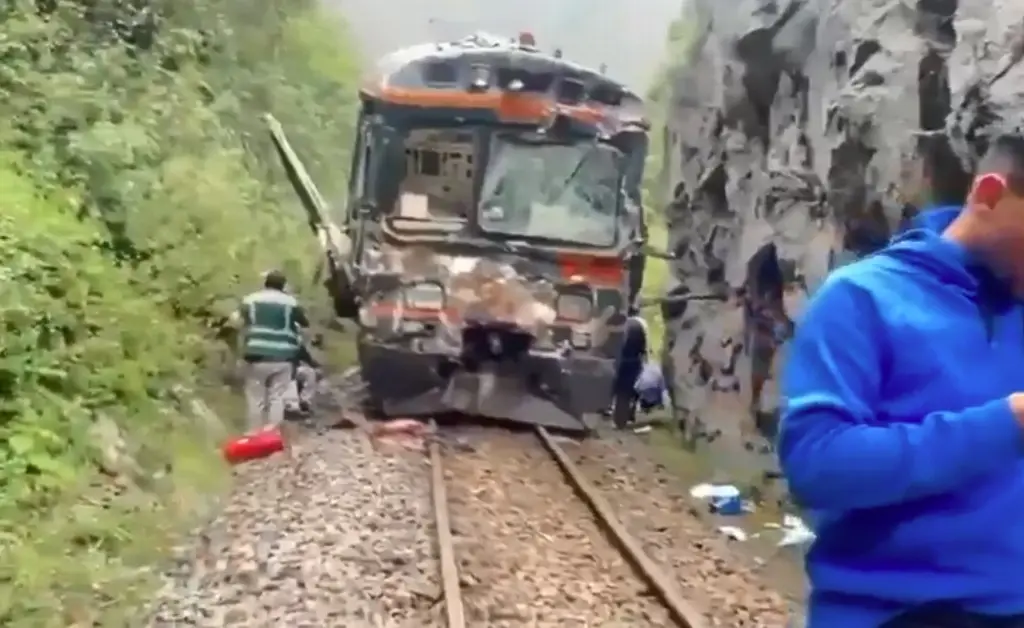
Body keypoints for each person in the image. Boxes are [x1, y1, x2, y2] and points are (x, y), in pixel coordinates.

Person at [778, 133, 1024, 628]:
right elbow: (816, 465)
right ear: (989, 194)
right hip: (893, 614)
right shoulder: (861, 297)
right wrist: (1007, 423)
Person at [232, 270, 310, 431]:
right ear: (283, 285)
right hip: (283, 357)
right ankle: (272, 433)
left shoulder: (250, 300)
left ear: (265, 283)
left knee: (255, 398)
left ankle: (254, 433)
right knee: (277, 397)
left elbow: (235, 321)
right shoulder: (291, 302)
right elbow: (304, 322)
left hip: (256, 355)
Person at [611, 305, 649, 429]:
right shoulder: (639, 326)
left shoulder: (622, 325)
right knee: (629, 391)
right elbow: (643, 347)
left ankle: (618, 418)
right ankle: (626, 416)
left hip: (620, 361)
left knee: (619, 391)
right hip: (633, 362)